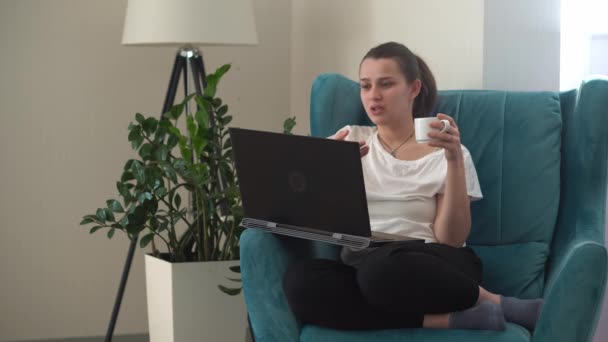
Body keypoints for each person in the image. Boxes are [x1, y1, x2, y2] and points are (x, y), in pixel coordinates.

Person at [282, 42, 544, 332]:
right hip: (363, 264)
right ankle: (449, 321)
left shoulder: (449, 152)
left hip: (433, 265)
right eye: (365, 86)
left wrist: (454, 160)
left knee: (380, 271)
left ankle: (493, 301)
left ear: (413, 88)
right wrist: (322, 171)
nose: (373, 96)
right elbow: (304, 216)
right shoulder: (348, 140)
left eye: (386, 84)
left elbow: (452, 239)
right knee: (301, 282)